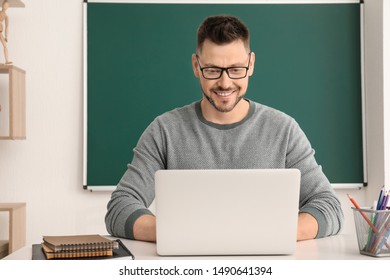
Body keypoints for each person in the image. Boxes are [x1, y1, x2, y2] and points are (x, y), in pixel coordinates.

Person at [105, 15, 344, 242]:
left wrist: (270, 232)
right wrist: (180, 233)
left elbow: (329, 207)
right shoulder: (165, 130)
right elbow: (120, 207)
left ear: (251, 64)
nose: (225, 83)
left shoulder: (283, 130)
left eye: (236, 69)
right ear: (196, 66)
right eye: (212, 70)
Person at [0, 0, 11, 64]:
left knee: (5, 45)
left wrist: (6, 36)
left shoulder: (6, 16)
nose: (5, 6)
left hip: (0, 32)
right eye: (4, 4)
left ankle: (6, 60)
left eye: (6, 5)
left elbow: (7, 26)